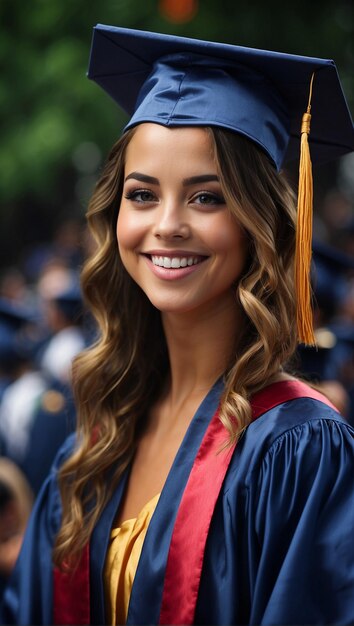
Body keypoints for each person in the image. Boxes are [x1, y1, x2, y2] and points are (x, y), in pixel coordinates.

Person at [1, 26, 354, 626]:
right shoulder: (95, 445)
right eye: (142, 195)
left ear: (259, 222)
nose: (167, 225)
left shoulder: (299, 450)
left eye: (206, 197)